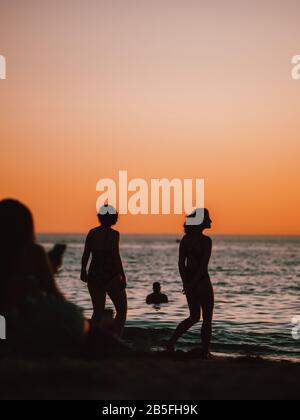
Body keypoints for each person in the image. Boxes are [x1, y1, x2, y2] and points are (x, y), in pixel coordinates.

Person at [0, 199, 86, 357]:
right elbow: (54, 294)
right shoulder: (33, 252)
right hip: (17, 322)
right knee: (73, 316)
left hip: (6, 323)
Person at [167, 209, 214, 358]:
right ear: (200, 221)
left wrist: (186, 283)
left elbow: (181, 264)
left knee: (194, 317)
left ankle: (172, 342)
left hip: (190, 282)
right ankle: (205, 350)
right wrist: (193, 283)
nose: (211, 221)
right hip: (202, 282)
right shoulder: (206, 241)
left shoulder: (185, 239)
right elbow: (203, 266)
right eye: (208, 218)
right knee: (207, 319)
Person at [81, 205, 127, 337]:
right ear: (113, 218)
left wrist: (83, 270)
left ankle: (89, 339)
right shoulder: (114, 234)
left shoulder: (92, 233)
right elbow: (115, 257)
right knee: (122, 310)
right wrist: (122, 275)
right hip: (110, 273)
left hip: (94, 273)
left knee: (97, 312)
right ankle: (117, 338)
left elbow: (86, 254)